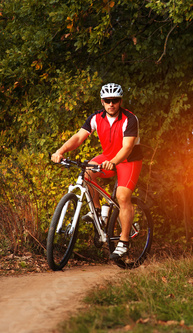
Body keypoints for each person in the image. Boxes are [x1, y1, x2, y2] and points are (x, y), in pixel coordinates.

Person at [51, 83, 143, 259]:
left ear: (120, 101)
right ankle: (99, 214)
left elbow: (128, 147)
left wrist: (114, 162)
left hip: (128, 160)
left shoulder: (130, 119)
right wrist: (60, 151)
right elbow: (78, 137)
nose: (111, 104)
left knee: (123, 197)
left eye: (115, 100)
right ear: (102, 101)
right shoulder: (95, 118)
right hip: (107, 156)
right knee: (86, 174)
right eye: (107, 100)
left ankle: (124, 241)